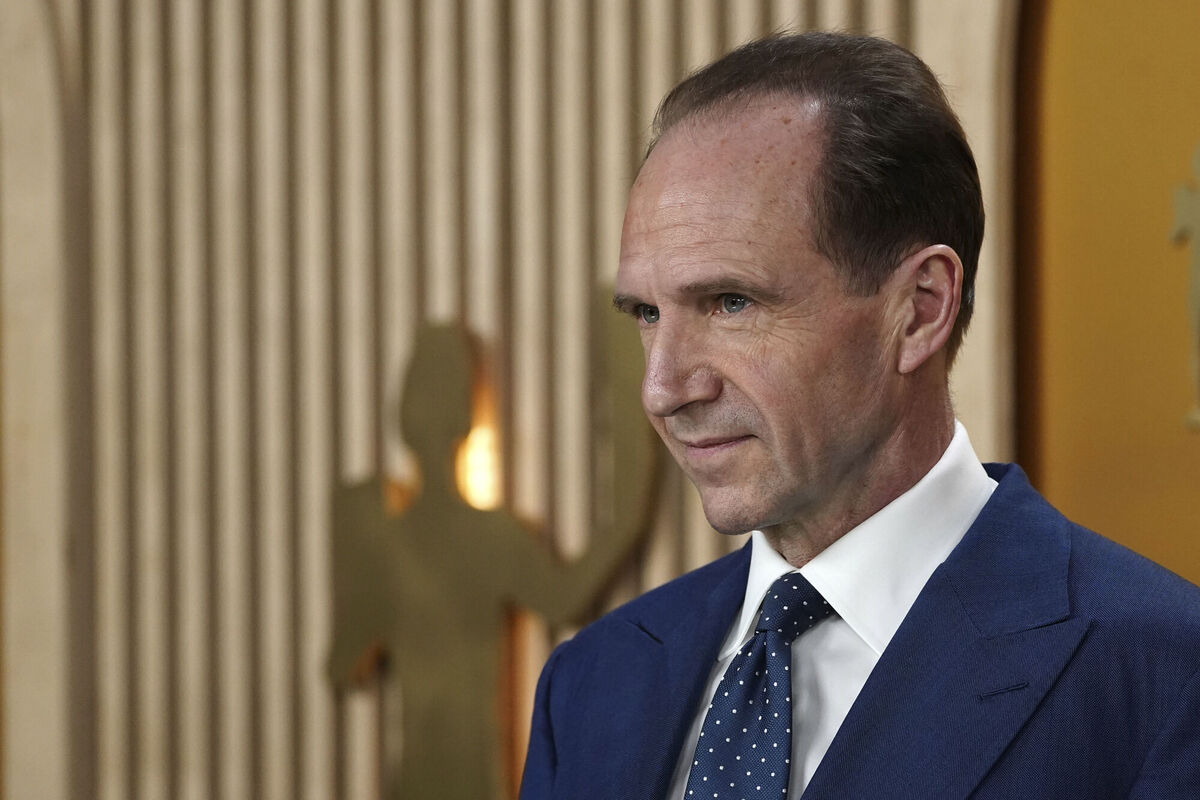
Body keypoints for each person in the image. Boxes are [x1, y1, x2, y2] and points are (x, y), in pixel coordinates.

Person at [519, 31, 1200, 800]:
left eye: (731, 302)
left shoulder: (1165, 673)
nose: (663, 388)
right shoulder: (590, 682)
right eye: (646, 311)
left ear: (918, 310)